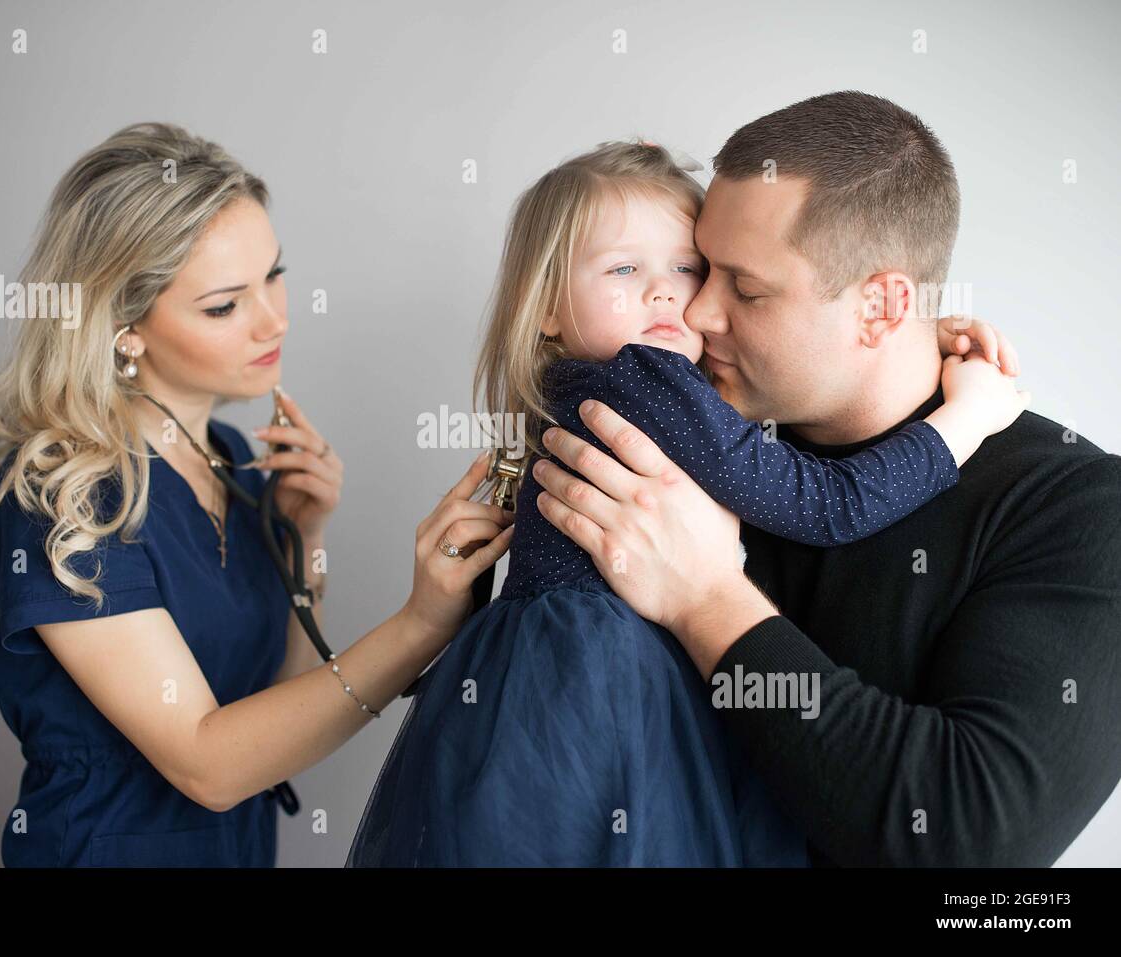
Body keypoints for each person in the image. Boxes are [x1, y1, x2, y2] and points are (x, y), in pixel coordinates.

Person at [346, 140, 1026, 866]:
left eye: (686, 268)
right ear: (546, 306)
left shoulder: (587, 385)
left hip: (547, 689)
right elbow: (826, 504)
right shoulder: (644, 378)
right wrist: (965, 420)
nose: (671, 294)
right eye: (624, 269)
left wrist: (915, 335)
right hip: (603, 680)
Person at [530, 92, 1121, 866]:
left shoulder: (1078, 508)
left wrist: (708, 599)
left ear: (880, 308)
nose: (695, 311)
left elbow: (969, 839)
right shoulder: (681, 436)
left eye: (743, 288)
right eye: (700, 269)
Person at [0, 122, 514, 867]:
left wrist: (304, 540)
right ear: (123, 327)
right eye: (225, 305)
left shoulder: (228, 459)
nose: (274, 318)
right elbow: (211, 763)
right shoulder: (65, 493)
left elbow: (282, 707)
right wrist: (421, 623)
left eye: (274, 274)